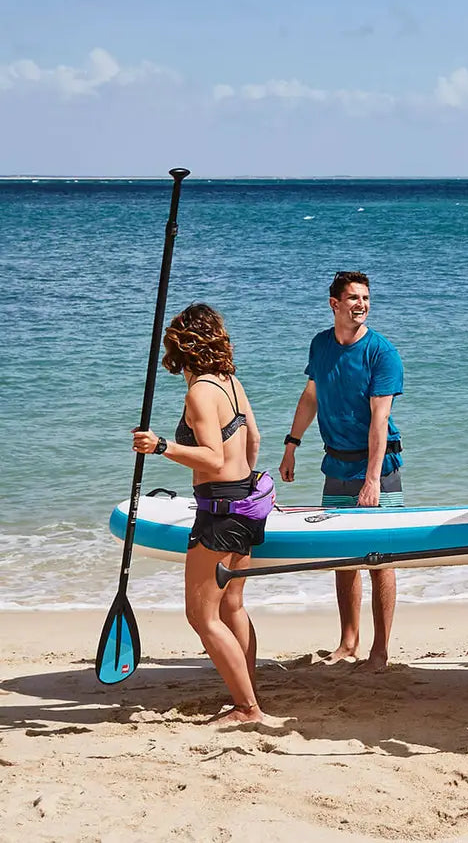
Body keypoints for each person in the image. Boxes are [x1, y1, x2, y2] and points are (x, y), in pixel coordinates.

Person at [131, 303, 276, 725]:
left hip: (220, 512)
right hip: (249, 503)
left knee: (202, 614)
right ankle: (244, 689)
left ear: (183, 346)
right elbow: (254, 439)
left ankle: (247, 708)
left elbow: (212, 459)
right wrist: (241, 478)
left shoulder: (199, 392)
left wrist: (160, 446)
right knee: (232, 605)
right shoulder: (230, 382)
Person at [278, 270, 404, 669]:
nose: (361, 304)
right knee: (343, 558)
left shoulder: (382, 353)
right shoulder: (320, 345)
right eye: (353, 298)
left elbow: (380, 421)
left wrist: (372, 482)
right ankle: (348, 643)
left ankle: (380, 649)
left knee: (381, 559)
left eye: (366, 297)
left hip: (379, 470)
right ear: (334, 303)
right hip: (335, 464)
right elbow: (311, 396)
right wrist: (291, 445)